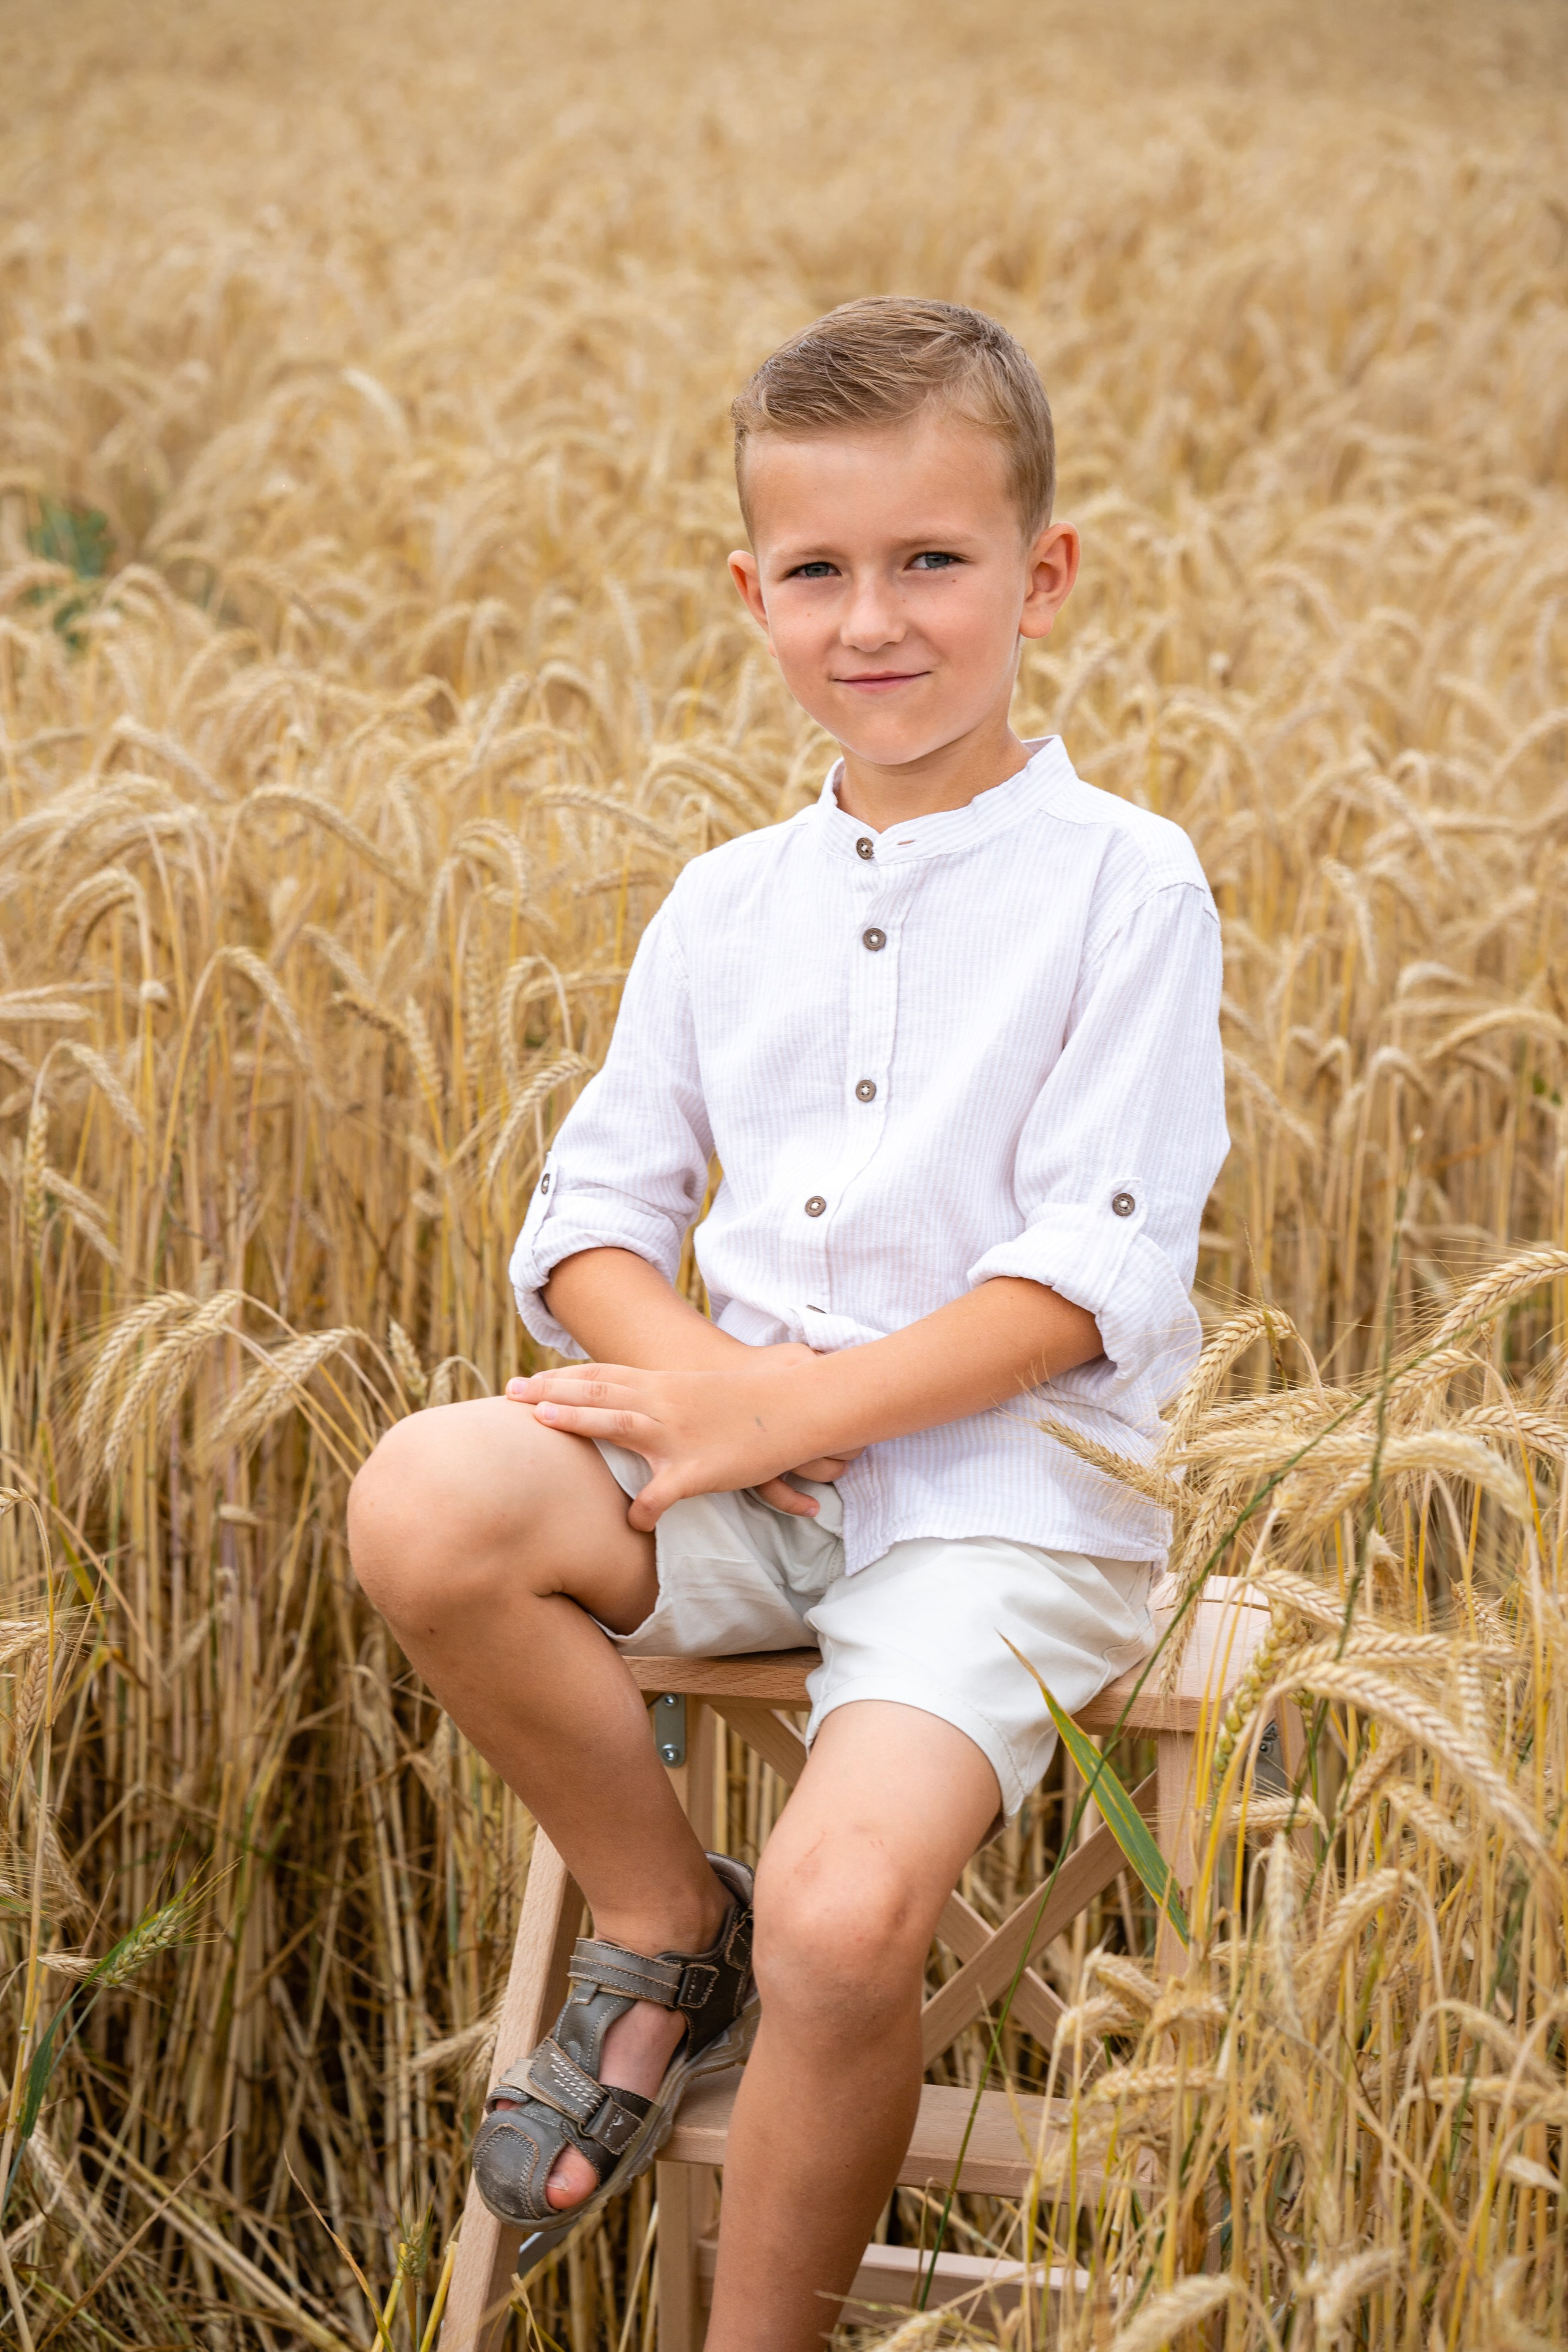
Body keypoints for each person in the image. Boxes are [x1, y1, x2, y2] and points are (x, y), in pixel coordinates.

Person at [347, 296, 1227, 2350]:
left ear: (1046, 572)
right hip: (737, 1468)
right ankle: (666, 1924)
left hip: (1001, 1503)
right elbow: (587, 1224)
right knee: (427, 1501)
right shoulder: (724, 903)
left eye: (933, 560)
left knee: (850, 1917)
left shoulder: (1126, 885)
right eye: (820, 572)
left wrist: (776, 1412)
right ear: (752, 593)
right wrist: (724, 1397)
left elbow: (1084, 1277)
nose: (875, 619)